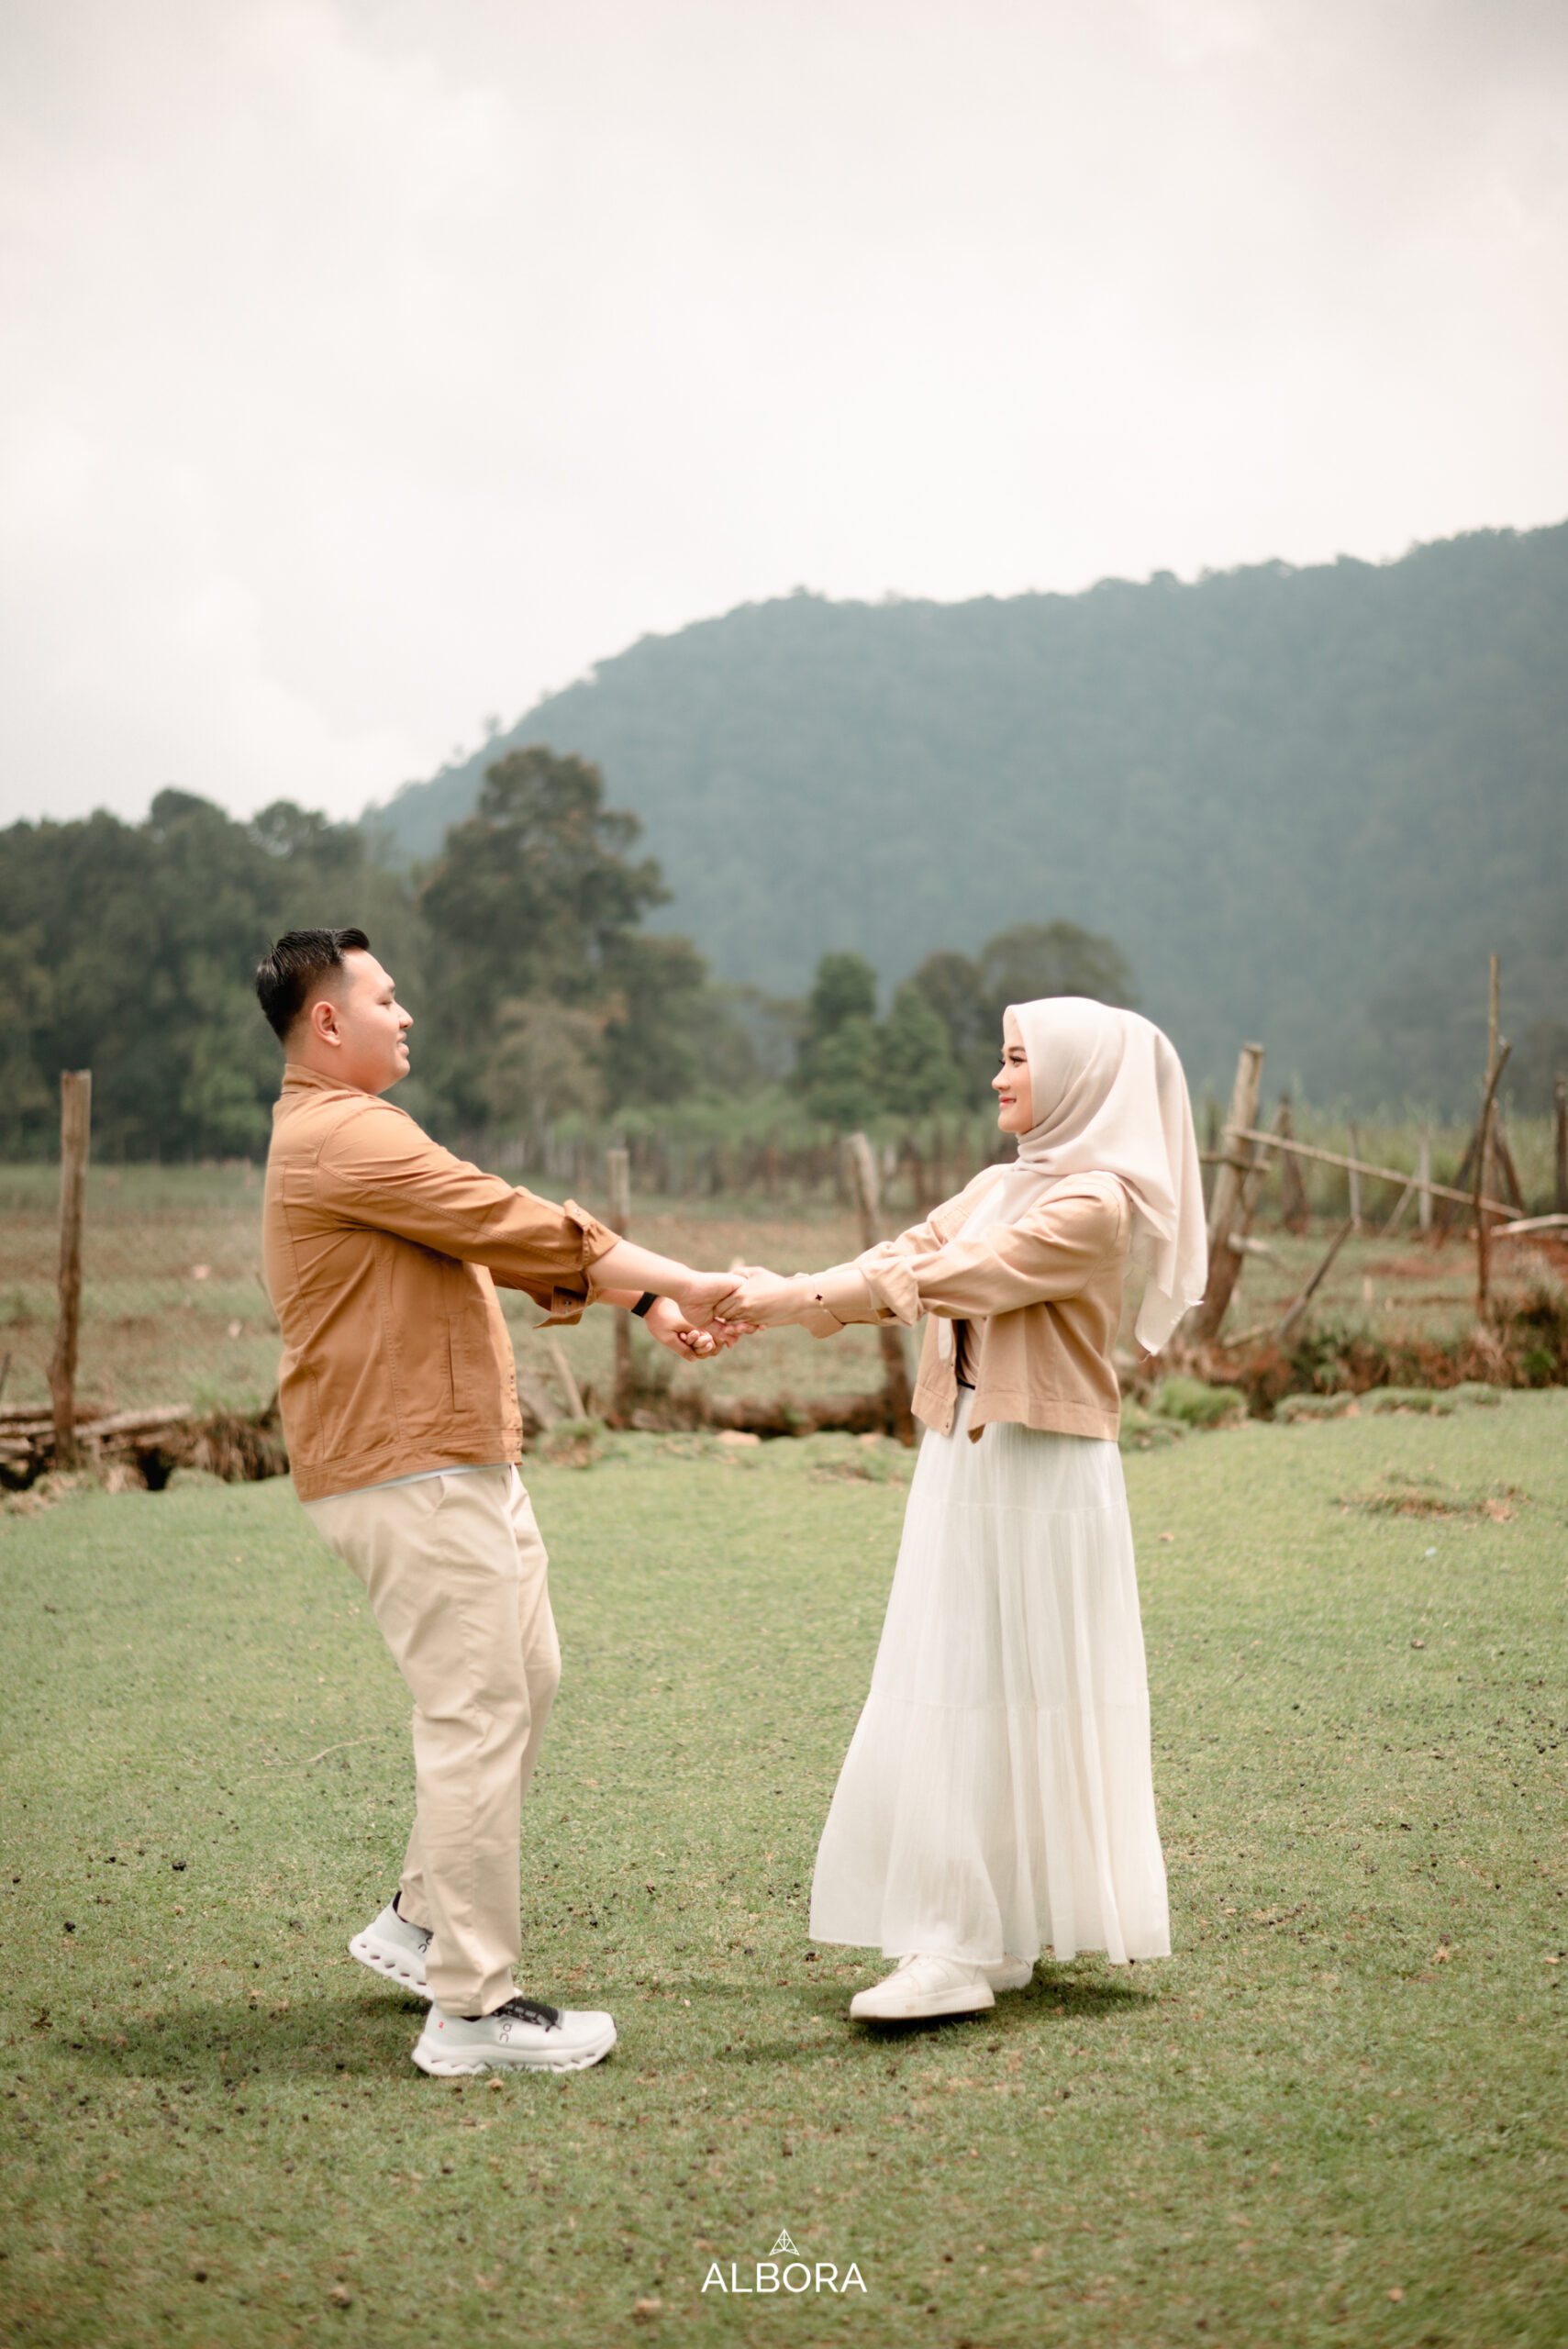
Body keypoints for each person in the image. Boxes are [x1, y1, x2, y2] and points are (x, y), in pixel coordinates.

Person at [254, 928, 739, 2076]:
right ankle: (472, 2008)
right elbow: (503, 1216)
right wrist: (678, 1276)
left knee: (524, 1678)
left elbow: (479, 1235)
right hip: (409, 1465)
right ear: (328, 1019)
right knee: (474, 1715)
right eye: (384, 997)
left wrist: (642, 1304)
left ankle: (421, 1922)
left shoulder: (353, 1131)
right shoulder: (343, 1133)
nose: (405, 1013)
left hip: (452, 1455)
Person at [717, 996, 1207, 2021]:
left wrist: (788, 1300)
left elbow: (952, 1275)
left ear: (1075, 1075)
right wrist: (779, 1293)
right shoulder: (999, 1184)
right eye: (1002, 1057)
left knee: (1000, 1685)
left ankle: (961, 1939)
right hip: (963, 1456)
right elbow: (900, 1253)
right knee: (957, 1673)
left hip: (1041, 1470)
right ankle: (977, 1934)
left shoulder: (1093, 1204)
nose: (998, 1077)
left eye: (1018, 1059)